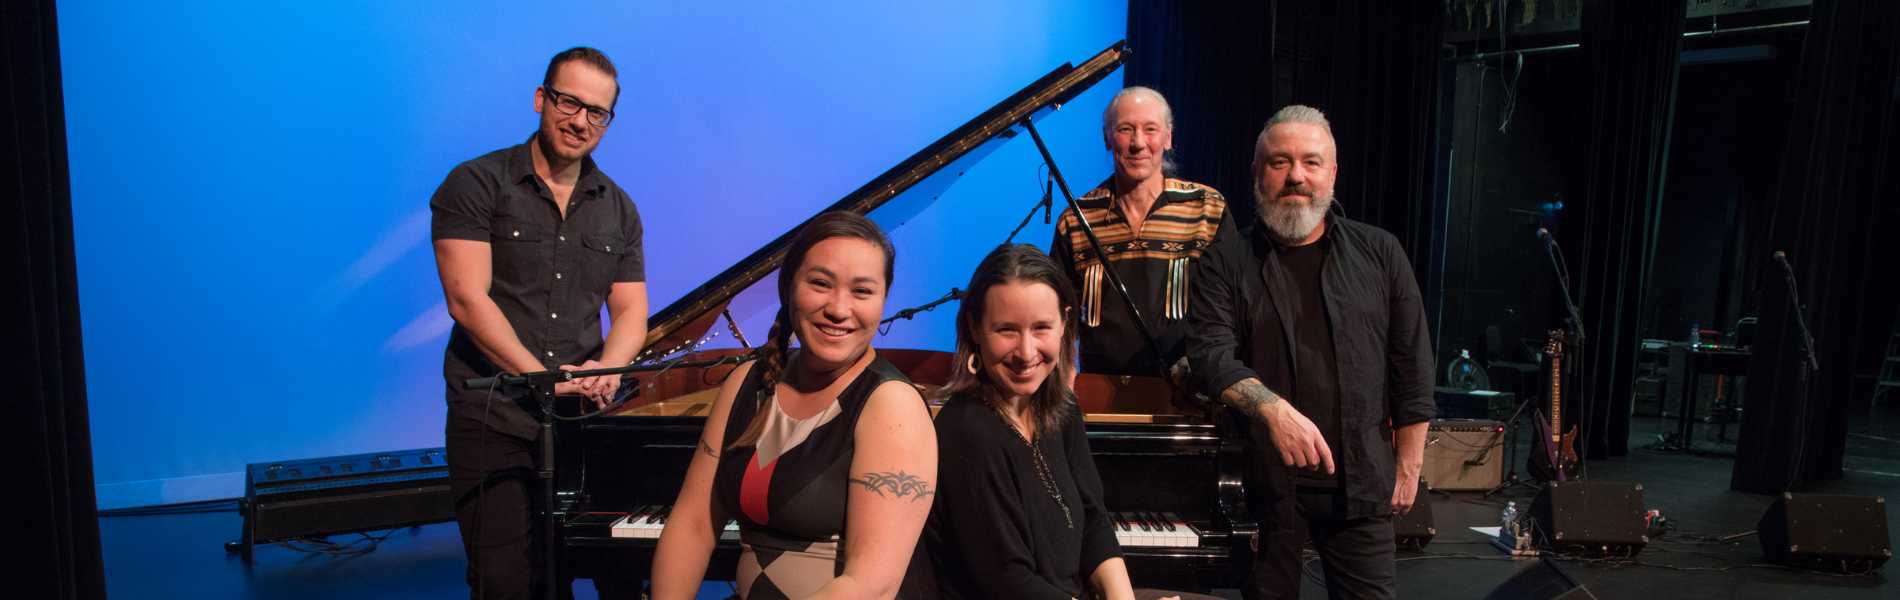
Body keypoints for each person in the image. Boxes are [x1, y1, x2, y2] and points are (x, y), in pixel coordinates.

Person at [1186, 105, 1435, 600]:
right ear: (1257, 173)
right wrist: (1274, 411)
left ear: (1333, 173)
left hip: (1361, 481)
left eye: (1311, 162)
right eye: (1279, 162)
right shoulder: (1224, 261)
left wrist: (1409, 466)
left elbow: (1412, 365)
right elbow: (1210, 355)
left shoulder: (1381, 252)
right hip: (1265, 486)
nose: (1295, 176)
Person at [430, 47, 649, 599]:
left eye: (596, 112)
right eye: (569, 102)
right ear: (540, 99)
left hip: (580, 426)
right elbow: (466, 299)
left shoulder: (619, 209)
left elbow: (630, 311)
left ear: (608, 122)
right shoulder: (476, 183)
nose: (580, 121)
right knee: (507, 583)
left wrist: (609, 366)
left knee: (580, 569)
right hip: (494, 417)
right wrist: (543, 381)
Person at [650, 211, 938, 600]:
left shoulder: (892, 405)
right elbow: (694, 524)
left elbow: (872, 584)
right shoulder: (746, 384)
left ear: (883, 300)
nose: (838, 308)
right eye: (820, 284)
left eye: (862, 291)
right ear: (789, 288)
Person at [926, 244, 1220, 600]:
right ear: (974, 326)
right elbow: (1008, 582)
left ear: (1065, 324)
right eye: (1006, 329)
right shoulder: (966, 430)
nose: (1026, 352)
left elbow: (1094, 520)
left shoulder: (1060, 407)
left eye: (1041, 328)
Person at [1051, 86, 1236, 378]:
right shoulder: (1076, 218)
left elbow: (1231, 304)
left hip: (1186, 391)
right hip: (1098, 389)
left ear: (1168, 137)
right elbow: (1059, 314)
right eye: (1125, 129)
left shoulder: (1207, 208)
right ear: (1107, 138)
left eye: (1150, 129)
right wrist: (1061, 369)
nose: (1139, 143)